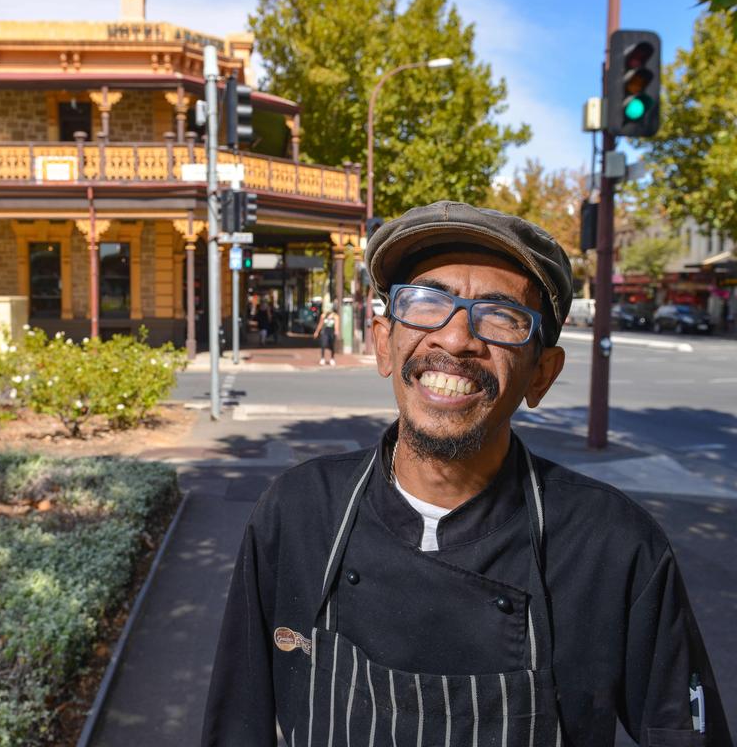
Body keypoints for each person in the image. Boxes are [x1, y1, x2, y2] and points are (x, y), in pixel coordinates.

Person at [202, 201, 732, 747]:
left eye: (501, 316)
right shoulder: (297, 512)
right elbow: (237, 723)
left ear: (542, 375)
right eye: (427, 303)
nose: (455, 339)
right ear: (385, 342)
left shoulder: (617, 548)